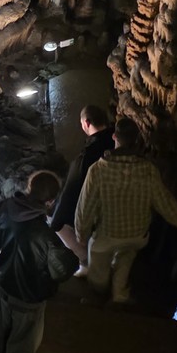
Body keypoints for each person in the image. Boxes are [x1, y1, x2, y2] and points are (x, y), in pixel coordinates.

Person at [74, 117, 177, 306]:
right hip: (136, 235)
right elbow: (165, 203)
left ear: (114, 136)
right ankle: (120, 296)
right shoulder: (147, 169)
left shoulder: (98, 170)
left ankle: (99, 295)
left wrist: (81, 232)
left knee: (98, 266)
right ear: (137, 140)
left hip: (107, 235)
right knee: (125, 262)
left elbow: (85, 206)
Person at [0, 170, 74, 353]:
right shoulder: (44, 234)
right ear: (50, 201)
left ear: (28, 188)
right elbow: (63, 268)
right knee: (22, 347)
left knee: (1, 335)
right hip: (28, 297)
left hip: (3, 284)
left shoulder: (4, 208)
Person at [48, 104, 114, 264]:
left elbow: (73, 190)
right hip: (114, 198)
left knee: (56, 222)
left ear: (86, 123)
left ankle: (85, 260)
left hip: (96, 205)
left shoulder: (88, 154)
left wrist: (56, 210)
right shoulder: (113, 139)